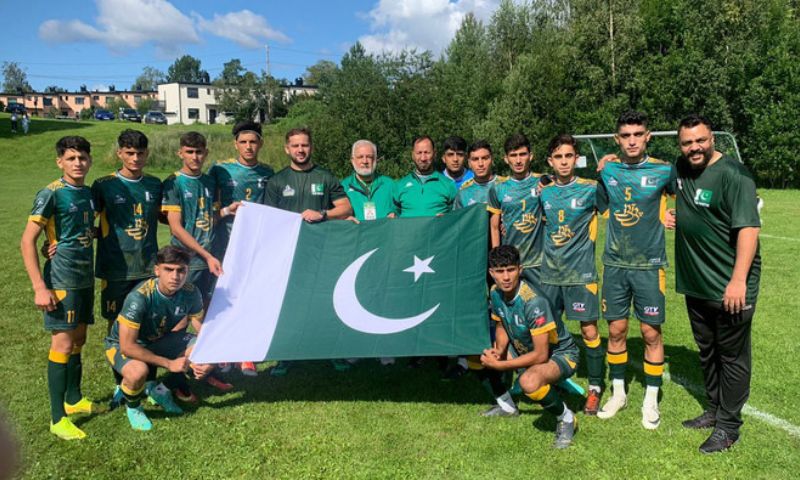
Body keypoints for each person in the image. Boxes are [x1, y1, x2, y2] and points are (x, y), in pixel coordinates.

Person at [674, 114, 761, 454]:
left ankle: (728, 427)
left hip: (730, 286)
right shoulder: (680, 169)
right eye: (687, 142)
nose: (695, 147)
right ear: (679, 145)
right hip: (696, 285)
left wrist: (738, 280)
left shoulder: (734, 175)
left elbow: (748, 230)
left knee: (733, 356)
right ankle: (713, 409)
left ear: (713, 139)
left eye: (701, 140)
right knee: (707, 351)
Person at [595, 111, 676, 429]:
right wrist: (604, 160)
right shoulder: (608, 170)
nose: (632, 140)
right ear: (617, 139)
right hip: (615, 265)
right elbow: (598, 204)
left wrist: (675, 213)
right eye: (625, 135)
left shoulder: (664, 171)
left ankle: (651, 399)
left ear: (648, 137)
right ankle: (618, 393)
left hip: (649, 266)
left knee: (650, 332)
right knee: (615, 331)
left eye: (637, 134)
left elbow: (691, 194)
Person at [20, 136, 99, 440]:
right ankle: (57, 418)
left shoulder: (89, 194)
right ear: (59, 162)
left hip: (84, 279)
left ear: (89, 161)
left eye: (82, 158)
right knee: (62, 345)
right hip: (62, 280)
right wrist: (40, 286)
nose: (77, 163)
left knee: (79, 339)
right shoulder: (51, 193)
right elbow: (27, 240)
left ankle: (74, 398)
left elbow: (81, 229)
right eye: (71, 158)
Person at [264, 127, 353, 376]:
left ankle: (332, 353)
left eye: (304, 145)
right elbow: (268, 219)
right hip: (289, 256)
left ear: (311, 147)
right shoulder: (277, 181)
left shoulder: (325, 177)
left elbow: (345, 208)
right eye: (295, 146)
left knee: (327, 302)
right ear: (287, 149)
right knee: (289, 306)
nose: (300, 150)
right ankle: (285, 356)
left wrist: (323, 213)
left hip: (321, 253)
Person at [103, 246, 213, 431]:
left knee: (203, 353)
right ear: (157, 270)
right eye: (169, 269)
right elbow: (128, 347)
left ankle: (161, 390)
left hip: (158, 340)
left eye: (181, 270)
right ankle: (134, 407)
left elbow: (200, 327)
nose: (175, 276)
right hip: (123, 345)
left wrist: (208, 356)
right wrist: (169, 364)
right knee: (138, 372)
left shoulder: (191, 292)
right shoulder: (139, 298)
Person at [480, 245, 580, 449]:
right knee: (481, 352)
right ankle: (507, 406)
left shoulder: (534, 302)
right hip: (525, 348)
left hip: (560, 355)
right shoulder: (495, 292)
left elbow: (541, 355)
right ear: (491, 273)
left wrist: (500, 366)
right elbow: (501, 323)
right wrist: (498, 351)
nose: (506, 277)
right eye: (500, 271)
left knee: (529, 382)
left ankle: (567, 418)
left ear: (520, 269)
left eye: (511, 269)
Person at [538, 134, 606, 415]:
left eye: (569, 156)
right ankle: (556, 377)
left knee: (588, 329)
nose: (564, 162)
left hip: (581, 274)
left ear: (575, 159)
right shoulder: (543, 192)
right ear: (550, 161)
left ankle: (595, 388)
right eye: (558, 157)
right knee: (548, 331)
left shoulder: (591, 189)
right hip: (550, 275)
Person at [92, 130, 163, 396]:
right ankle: (120, 384)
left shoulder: (155, 185)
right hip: (115, 269)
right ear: (120, 152)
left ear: (147, 154)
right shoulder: (103, 185)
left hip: (147, 267)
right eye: (130, 153)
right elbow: (89, 225)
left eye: (140, 153)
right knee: (116, 326)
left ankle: (151, 384)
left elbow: (167, 217)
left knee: (150, 324)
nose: (135, 158)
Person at [162, 132, 233, 395]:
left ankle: (205, 369)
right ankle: (177, 381)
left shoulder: (208, 180)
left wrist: (226, 211)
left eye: (200, 152)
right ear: (180, 152)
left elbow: (209, 217)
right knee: (180, 320)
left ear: (206, 152)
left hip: (209, 260)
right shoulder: (174, 182)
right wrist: (205, 254)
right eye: (189, 152)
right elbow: (176, 228)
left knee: (207, 315)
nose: (195, 157)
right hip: (186, 262)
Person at [208, 121, 274, 377]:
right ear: (235, 144)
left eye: (253, 142)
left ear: (260, 144)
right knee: (222, 296)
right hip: (223, 242)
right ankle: (223, 350)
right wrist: (225, 211)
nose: (249, 146)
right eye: (244, 142)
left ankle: (247, 353)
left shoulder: (268, 172)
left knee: (249, 296)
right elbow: (205, 208)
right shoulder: (220, 171)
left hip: (254, 245)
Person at [444, 139, 503, 380]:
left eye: (485, 158)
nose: (480, 163)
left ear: (492, 159)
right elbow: (457, 228)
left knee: (503, 308)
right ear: (470, 163)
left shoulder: (504, 186)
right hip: (474, 262)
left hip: (504, 260)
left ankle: (506, 355)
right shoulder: (464, 192)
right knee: (477, 309)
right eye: (476, 159)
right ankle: (470, 360)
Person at [487, 133, 545, 288]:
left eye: (522, 154)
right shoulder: (498, 188)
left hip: (539, 263)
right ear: (506, 159)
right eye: (513, 155)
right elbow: (494, 226)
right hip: (510, 266)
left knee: (542, 308)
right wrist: (497, 262)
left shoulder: (544, 182)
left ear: (530, 156)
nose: (518, 160)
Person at [393, 135, 457, 218]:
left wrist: (448, 218)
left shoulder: (449, 185)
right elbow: (394, 215)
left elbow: (457, 218)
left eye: (427, 152)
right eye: (419, 153)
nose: (423, 158)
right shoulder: (400, 185)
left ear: (434, 154)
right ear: (412, 155)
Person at [341, 139, 396, 222]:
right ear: (352, 160)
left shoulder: (390, 184)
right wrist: (342, 220)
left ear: (375, 159)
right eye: (360, 157)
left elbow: (402, 209)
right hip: (356, 233)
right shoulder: (342, 187)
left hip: (383, 233)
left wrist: (396, 213)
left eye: (369, 157)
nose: (365, 161)